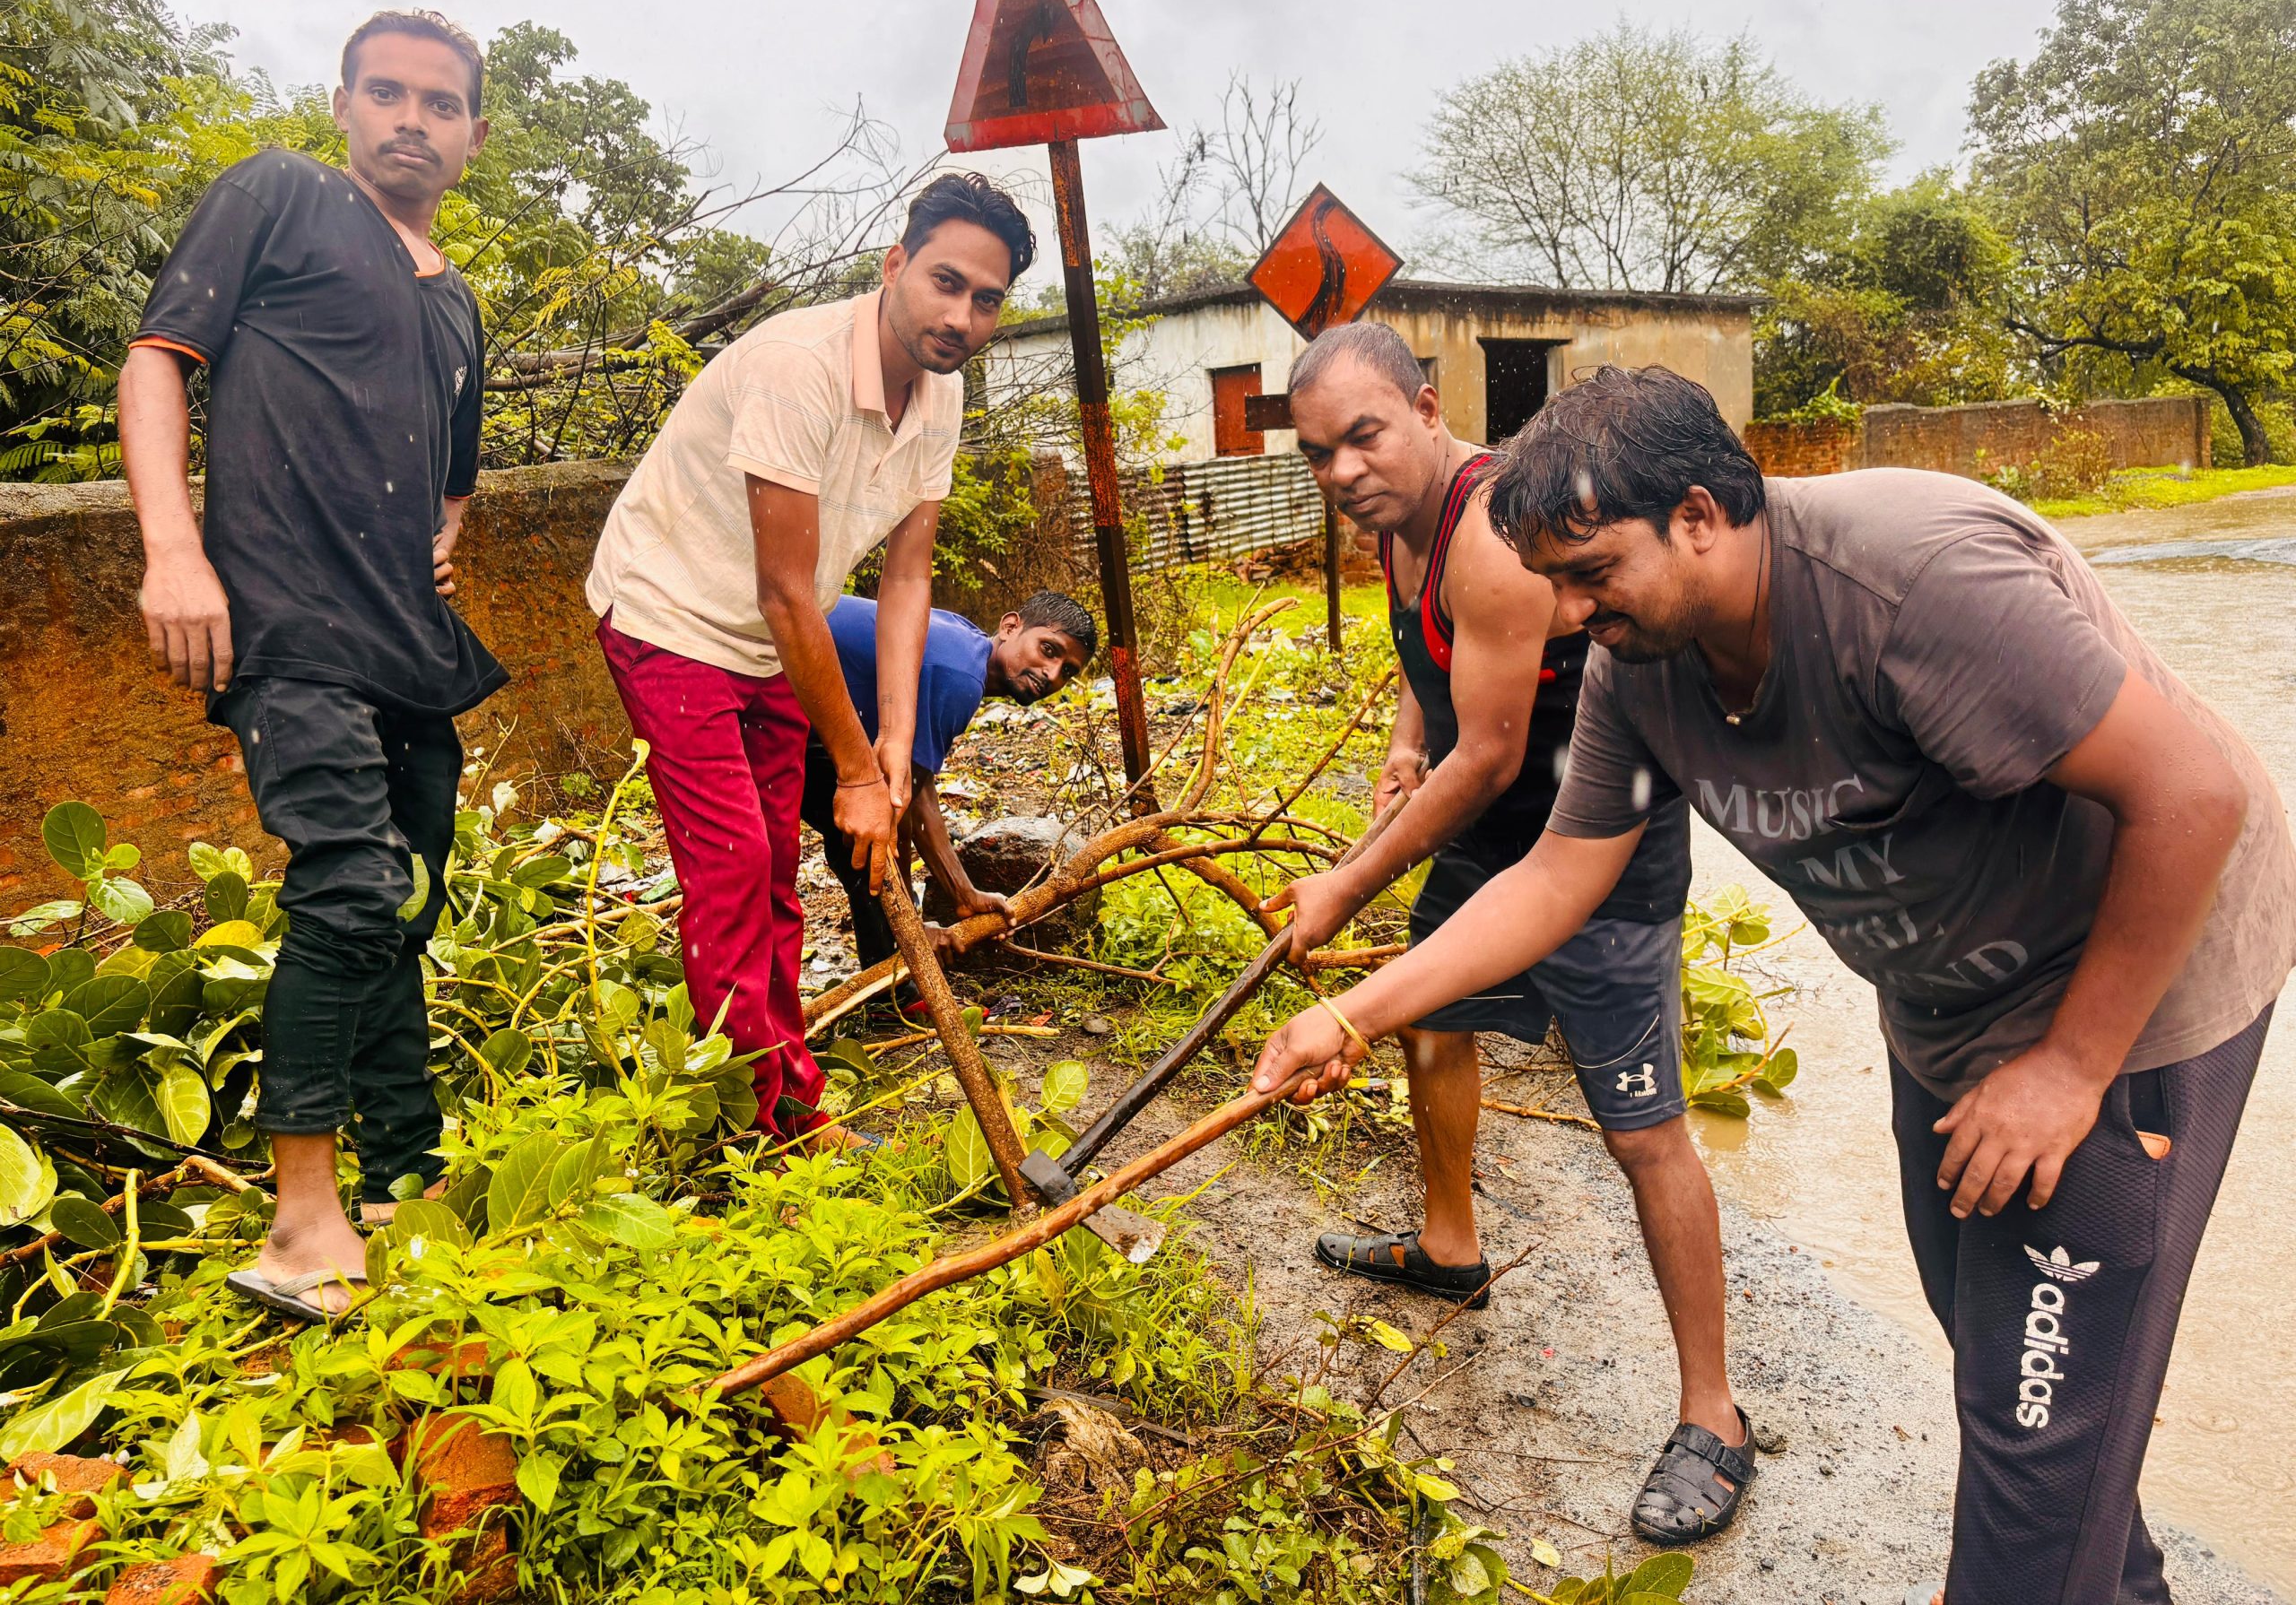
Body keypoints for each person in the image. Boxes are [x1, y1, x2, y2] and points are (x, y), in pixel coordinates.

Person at [1251, 365, 2296, 1602]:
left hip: (2133, 996)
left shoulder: (1913, 585)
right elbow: (1554, 877)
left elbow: (2196, 798)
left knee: (2032, 1461)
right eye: (1556, 586)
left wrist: (2071, 1070)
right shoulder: (1640, 665)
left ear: (1699, 515)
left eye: (1593, 575)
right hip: (1946, 1009)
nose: (1574, 616)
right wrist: (1349, 1012)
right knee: (2024, 1392)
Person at [1265, 325, 1746, 1547]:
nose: (1342, 470)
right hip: (1489, 834)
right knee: (1428, 1018)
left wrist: (1346, 883)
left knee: (1641, 1126)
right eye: (1318, 452)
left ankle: (1714, 1416)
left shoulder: (1490, 533)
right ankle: (1447, 1245)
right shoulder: (1393, 528)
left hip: (1601, 846)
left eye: (1365, 436)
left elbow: (1488, 754)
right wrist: (1399, 748)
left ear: (1427, 409)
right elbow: (1441, 705)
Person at [118, 12, 502, 1320]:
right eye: (386, 93)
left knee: (404, 908)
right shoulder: (277, 198)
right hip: (286, 621)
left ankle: (408, 1179)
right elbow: (159, 364)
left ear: (473, 136)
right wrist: (175, 552)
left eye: (439, 103)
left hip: (413, 646)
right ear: (343, 103)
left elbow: (453, 488)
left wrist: (443, 552)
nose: (411, 118)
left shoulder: (456, 303)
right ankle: (301, 1225)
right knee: (346, 891)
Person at [585, 171, 1035, 1144]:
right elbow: (786, 591)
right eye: (945, 282)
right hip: (672, 616)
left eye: (986, 299)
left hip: (771, 643)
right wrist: (856, 768)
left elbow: (909, 579)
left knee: (775, 869)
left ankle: (774, 1081)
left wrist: (897, 749)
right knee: (735, 863)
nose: (961, 315)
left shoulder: (941, 398)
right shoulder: (802, 367)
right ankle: (766, 1123)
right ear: (894, 265)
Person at [802, 591, 1095, 968]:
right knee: (869, 834)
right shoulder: (959, 677)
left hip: (795, 699)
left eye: (1068, 671)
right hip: (766, 682)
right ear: (1010, 627)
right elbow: (898, 805)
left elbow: (916, 786)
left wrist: (963, 891)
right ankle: (893, 975)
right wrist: (911, 924)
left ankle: (888, 975)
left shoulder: (965, 645)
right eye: (1049, 650)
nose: (1052, 675)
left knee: (866, 828)